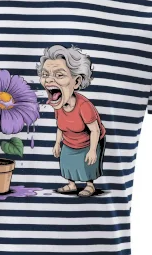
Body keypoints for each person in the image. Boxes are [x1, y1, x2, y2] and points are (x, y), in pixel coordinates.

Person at [37, 45, 106, 197]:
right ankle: (71, 184)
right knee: (66, 162)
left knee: (87, 163)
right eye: (45, 74)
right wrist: (57, 143)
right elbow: (60, 126)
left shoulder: (84, 106)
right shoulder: (59, 103)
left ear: (76, 82)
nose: (49, 80)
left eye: (59, 75)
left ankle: (89, 185)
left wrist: (93, 150)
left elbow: (95, 130)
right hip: (69, 141)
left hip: (89, 141)